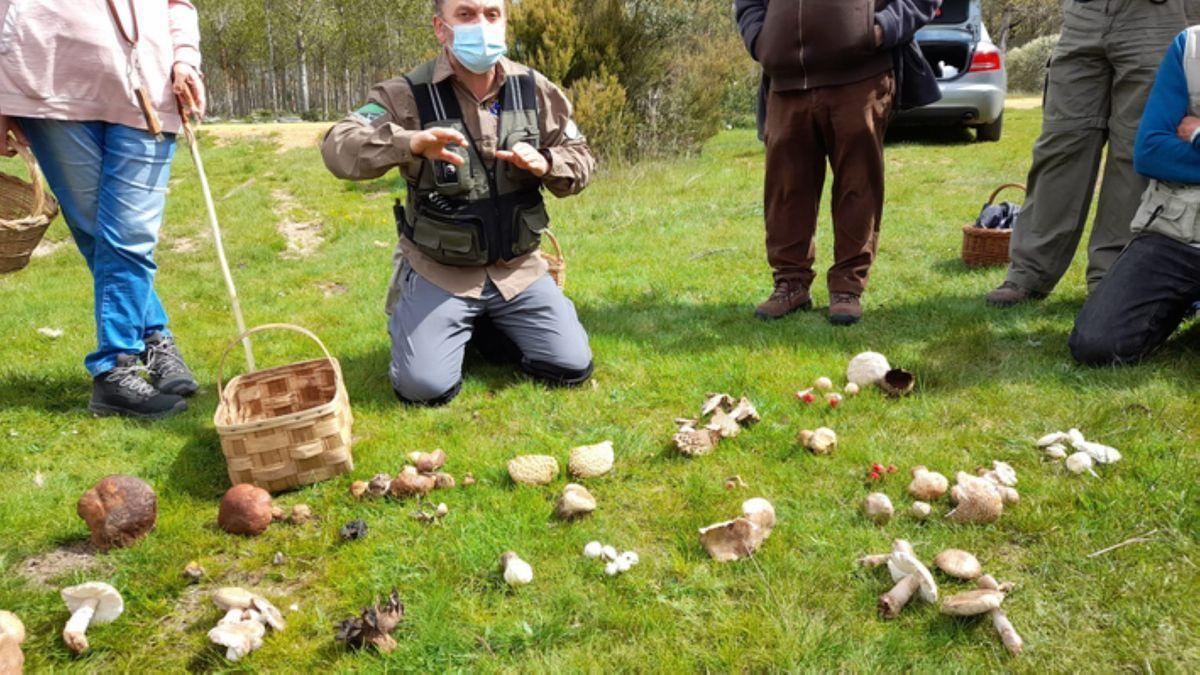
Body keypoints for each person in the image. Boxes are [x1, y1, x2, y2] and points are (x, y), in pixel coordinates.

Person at [321, 0, 595, 406]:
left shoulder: (534, 88)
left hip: (518, 270)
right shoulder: (406, 94)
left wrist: (548, 162)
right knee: (424, 389)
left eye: (491, 14)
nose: (481, 26)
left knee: (572, 366)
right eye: (465, 15)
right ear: (440, 27)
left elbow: (582, 154)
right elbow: (337, 146)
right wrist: (408, 143)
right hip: (441, 272)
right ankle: (419, 320)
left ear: (503, 22)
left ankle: (487, 328)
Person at [0, 0, 205, 419]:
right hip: (44, 84)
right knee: (101, 234)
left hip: (148, 85)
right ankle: (149, 347)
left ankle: (120, 364)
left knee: (128, 233)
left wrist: (185, 59)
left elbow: (177, 4)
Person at [735, 0, 941, 325]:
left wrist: (879, 29)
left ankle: (847, 288)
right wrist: (762, 41)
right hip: (786, 82)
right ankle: (790, 284)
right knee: (786, 191)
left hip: (860, 76)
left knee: (858, 185)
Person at [985, 0, 1193, 307]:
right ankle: (1028, 273)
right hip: (1085, 13)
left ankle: (1110, 277)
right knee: (1059, 145)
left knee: (1133, 153)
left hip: (1157, 13)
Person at [1069, 25, 1200, 366]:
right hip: (1178, 233)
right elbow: (1152, 151)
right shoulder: (1189, 46)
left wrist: (1197, 133)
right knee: (1097, 346)